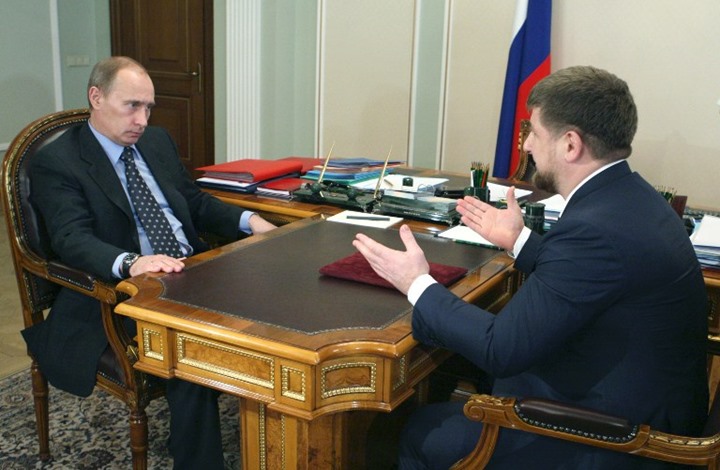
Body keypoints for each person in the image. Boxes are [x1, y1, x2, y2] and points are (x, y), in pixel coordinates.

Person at [353, 66, 708, 468]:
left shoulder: (594, 229)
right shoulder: (629, 196)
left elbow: (500, 348)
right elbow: (590, 276)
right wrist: (518, 239)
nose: (526, 145)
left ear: (570, 144)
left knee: (418, 430)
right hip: (641, 399)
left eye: (535, 133)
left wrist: (416, 283)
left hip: (620, 441)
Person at [21, 56, 276, 469]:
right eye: (132, 106)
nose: (142, 120)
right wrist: (132, 262)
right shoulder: (59, 161)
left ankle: (278, 442)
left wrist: (252, 221)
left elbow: (193, 202)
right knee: (192, 354)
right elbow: (72, 239)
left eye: (148, 107)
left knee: (277, 312)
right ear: (96, 97)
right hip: (125, 292)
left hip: (193, 270)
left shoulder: (155, 142)